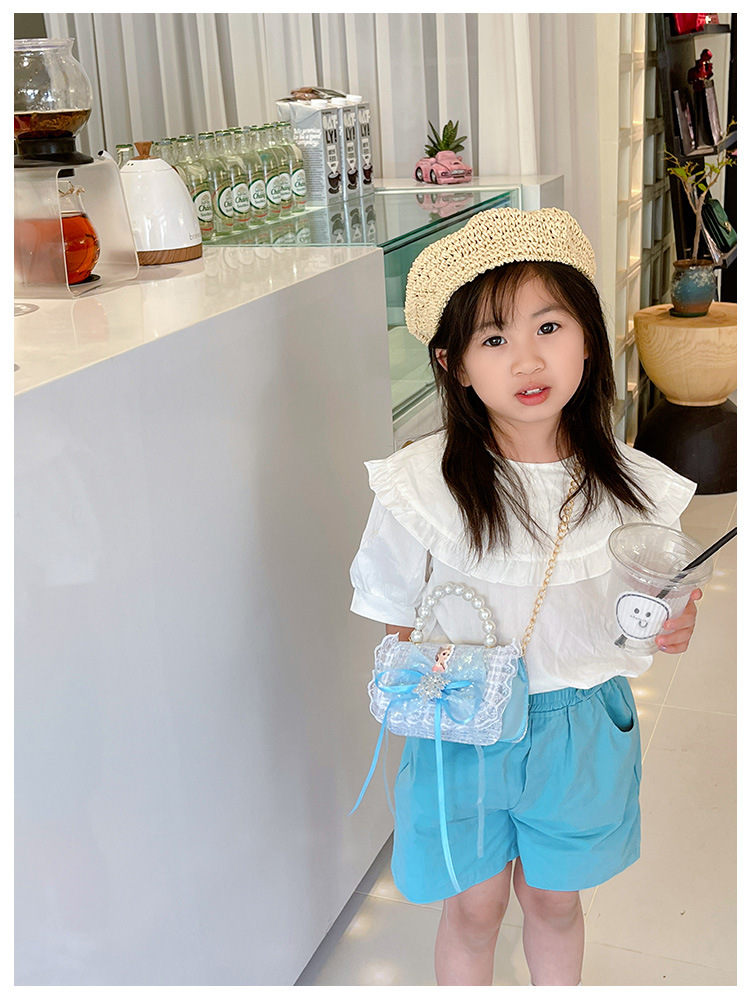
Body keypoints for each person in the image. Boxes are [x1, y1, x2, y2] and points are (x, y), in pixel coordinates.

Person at [348, 208, 703, 987]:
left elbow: (653, 607)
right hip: (459, 727)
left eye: (549, 326)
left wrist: (672, 622)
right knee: (473, 911)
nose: (528, 359)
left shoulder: (637, 489)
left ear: (588, 339)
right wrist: (435, 686)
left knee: (554, 904)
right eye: (494, 340)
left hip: (579, 726)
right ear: (454, 364)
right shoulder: (419, 484)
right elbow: (394, 614)